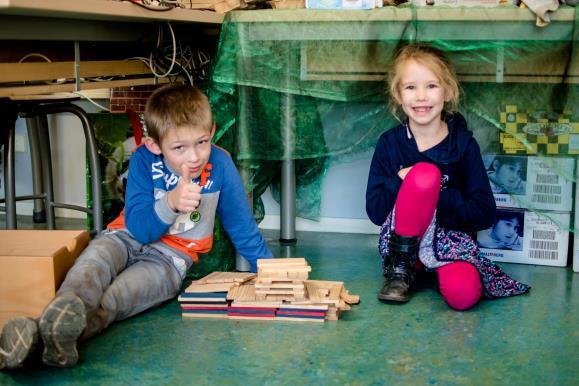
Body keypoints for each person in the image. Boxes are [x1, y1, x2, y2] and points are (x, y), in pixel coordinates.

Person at [0, 84, 273, 370]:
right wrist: (170, 202)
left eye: (201, 142)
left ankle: (40, 337)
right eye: (179, 147)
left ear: (212, 130)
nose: (194, 157)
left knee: (114, 300)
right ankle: (48, 329)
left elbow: (242, 227)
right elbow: (140, 230)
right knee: (91, 268)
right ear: (154, 144)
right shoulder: (144, 160)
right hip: (124, 237)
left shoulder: (220, 164)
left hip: (168, 262)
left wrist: (274, 275)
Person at [366, 43, 530, 311]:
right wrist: (402, 180)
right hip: (404, 250)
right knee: (422, 174)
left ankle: (434, 270)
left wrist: (437, 192)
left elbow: (484, 214)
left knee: (463, 296)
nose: (421, 96)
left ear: (448, 91)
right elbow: (375, 212)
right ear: (398, 94)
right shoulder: (389, 143)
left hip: (451, 246)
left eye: (431, 86)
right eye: (410, 87)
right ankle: (402, 272)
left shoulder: (464, 145)